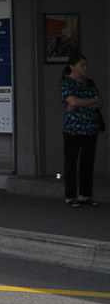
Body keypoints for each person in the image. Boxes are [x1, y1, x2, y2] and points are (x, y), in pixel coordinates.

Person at [59, 52, 104, 207]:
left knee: (87, 162)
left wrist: (79, 103)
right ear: (72, 66)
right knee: (71, 162)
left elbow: (100, 103)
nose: (85, 68)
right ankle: (70, 196)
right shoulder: (66, 83)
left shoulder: (89, 83)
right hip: (73, 128)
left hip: (91, 127)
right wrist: (90, 101)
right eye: (81, 65)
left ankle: (85, 195)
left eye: (86, 65)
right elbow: (72, 102)